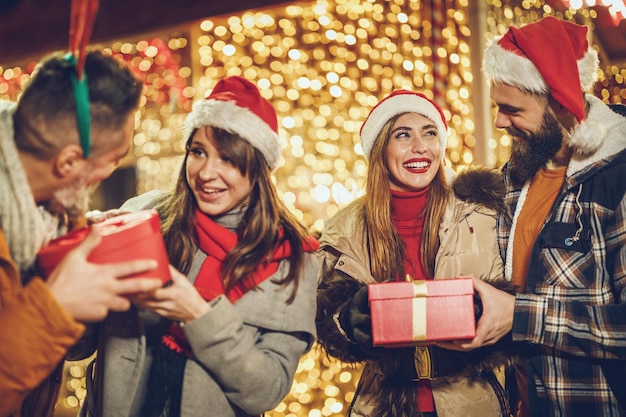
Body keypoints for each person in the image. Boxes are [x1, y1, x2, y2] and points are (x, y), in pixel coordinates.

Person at [72, 75, 321, 417]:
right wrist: (77, 270)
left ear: (259, 166)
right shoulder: (145, 216)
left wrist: (199, 316)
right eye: (198, 152)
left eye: (228, 159)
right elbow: (78, 346)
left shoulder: (291, 258)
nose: (206, 172)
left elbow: (265, 391)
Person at [449, 16, 626, 417]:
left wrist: (521, 315)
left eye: (512, 110)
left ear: (561, 103)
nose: (498, 122)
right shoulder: (515, 177)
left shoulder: (616, 178)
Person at [315, 89, 518, 417]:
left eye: (430, 133)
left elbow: (520, 300)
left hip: (473, 402)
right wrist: (346, 321)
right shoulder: (345, 227)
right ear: (382, 148)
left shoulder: (483, 213)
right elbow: (326, 315)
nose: (420, 146)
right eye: (403, 134)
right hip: (383, 404)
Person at [0, 50, 164, 417]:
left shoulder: (54, 215)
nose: (111, 170)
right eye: (114, 158)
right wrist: (54, 308)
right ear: (69, 161)